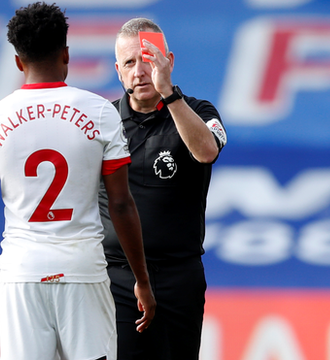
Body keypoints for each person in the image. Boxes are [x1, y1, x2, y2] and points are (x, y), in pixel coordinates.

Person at [0, 4, 156, 360]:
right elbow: (122, 203)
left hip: (22, 274)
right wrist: (142, 280)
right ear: (66, 54)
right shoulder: (99, 112)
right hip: (83, 270)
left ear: (19, 61)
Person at [98, 18, 227, 360]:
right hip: (115, 277)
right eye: (129, 63)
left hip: (177, 275)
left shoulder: (198, 111)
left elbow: (206, 151)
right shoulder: (102, 122)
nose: (140, 71)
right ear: (118, 70)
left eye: (148, 59)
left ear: (168, 61)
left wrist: (170, 94)